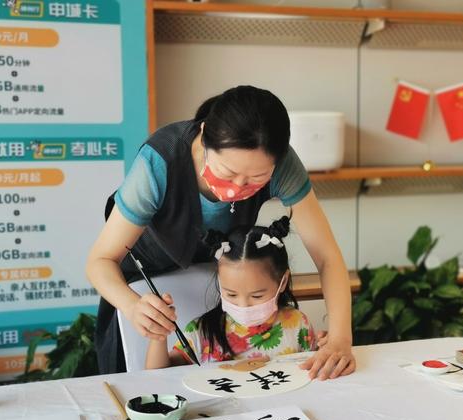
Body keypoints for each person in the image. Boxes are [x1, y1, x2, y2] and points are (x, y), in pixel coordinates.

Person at [86, 85, 355, 379]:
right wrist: (131, 305)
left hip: (220, 284)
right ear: (204, 136)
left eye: (256, 178)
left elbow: (327, 257)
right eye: (227, 172)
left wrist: (340, 339)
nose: (237, 188)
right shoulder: (160, 161)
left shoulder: (282, 164)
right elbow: (100, 261)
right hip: (143, 281)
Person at [146, 217, 320, 368]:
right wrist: (158, 333)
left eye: (257, 296)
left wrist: (325, 349)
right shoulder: (202, 332)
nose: (243, 305)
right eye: (231, 294)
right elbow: (159, 376)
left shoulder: (298, 324)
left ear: (282, 282)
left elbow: (314, 373)